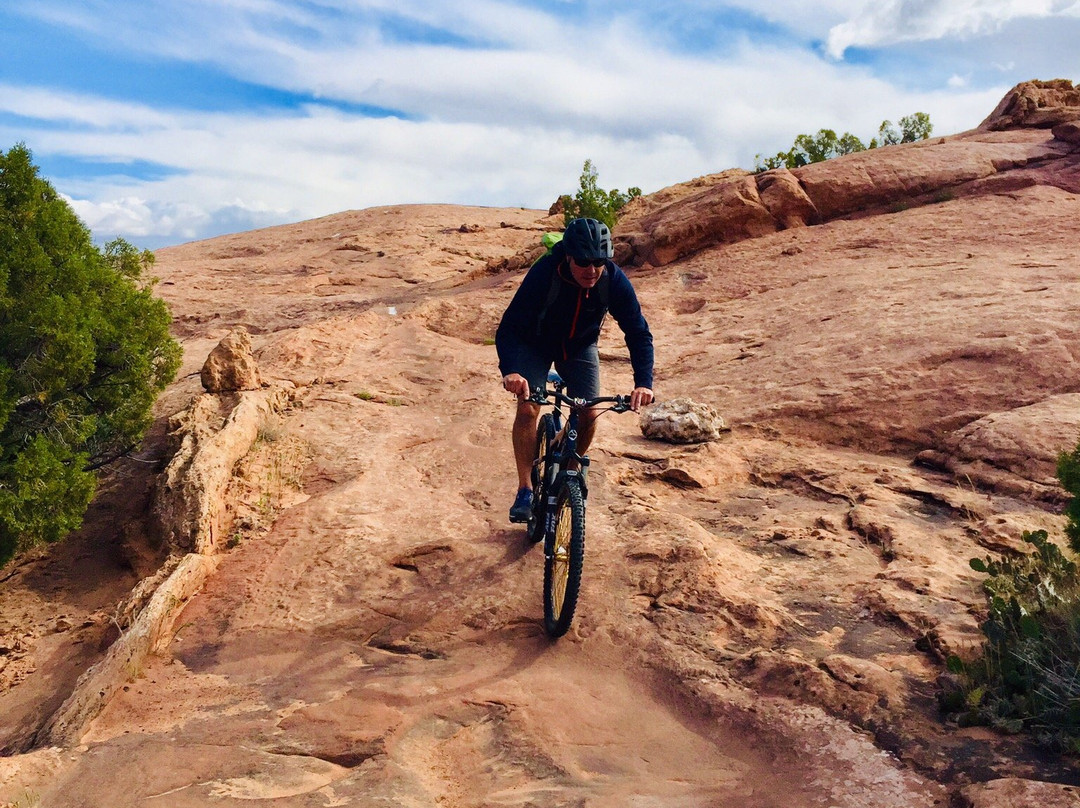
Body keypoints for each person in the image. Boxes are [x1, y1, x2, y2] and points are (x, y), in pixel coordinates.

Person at [496, 217, 654, 523]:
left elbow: (638, 332)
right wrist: (512, 369)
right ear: (568, 256)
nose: (591, 270)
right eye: (583, 261)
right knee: (529, 409)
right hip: (535, 345)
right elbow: (509, 328)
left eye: (598, 261)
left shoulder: (613, 280)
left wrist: (643, 382)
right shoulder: (544, 273)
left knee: (589, 413)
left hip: (579, 348)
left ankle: (569, 472)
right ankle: (525, 489)